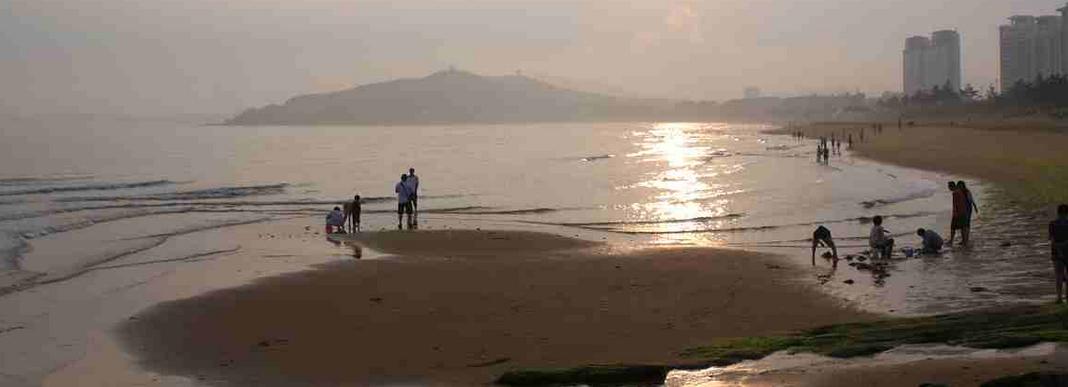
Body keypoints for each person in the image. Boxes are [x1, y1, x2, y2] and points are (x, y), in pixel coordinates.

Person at [1051, 204, 1068, 303]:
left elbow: (1052, 240)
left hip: (1056, 252)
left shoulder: (1052, 224)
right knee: (1060, 275)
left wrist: (1059, 250)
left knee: (1058, 275)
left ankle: (1059, 297)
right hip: (1064, 252)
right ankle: (1065, 296)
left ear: (1058, 213)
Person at [957, 180, 979, 245]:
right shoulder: (958, 192)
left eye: (960, 185)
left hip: (967, 209)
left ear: (963, 185)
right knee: (962, 225)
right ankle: (963, 239)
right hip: (962, 209)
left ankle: (966, 239)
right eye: (959, 186)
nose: (959, 187)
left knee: (966, 224)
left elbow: (971, 200)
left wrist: (975, 207)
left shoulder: (967, 191)